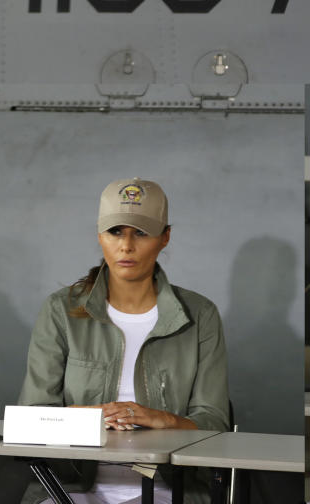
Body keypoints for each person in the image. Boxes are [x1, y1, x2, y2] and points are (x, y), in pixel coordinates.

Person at [18, 178, 229, 504]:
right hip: (67, 491)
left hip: (171, 493)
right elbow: (32, 418)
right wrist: (89, 419)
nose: (126, 245)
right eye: (115, 231)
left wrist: (163, 420)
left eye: (141, 232)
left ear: (165, 237)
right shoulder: (61, 310)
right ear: (99, 235)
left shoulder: (200, 315)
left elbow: (214, 424)